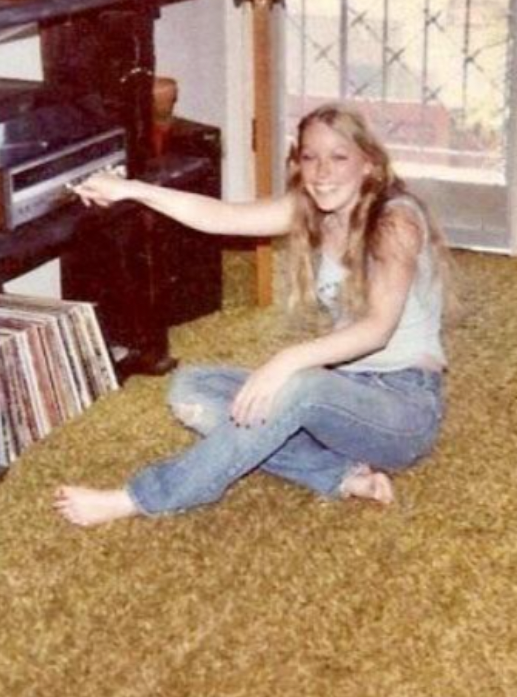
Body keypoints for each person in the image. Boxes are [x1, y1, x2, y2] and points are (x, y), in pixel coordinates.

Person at [54, 103, 450, 527]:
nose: (322, 172)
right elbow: (221, 216)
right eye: (310, 157)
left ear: (368, 165)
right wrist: (133, 190)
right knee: (192, 389)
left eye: (339, 157)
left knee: (297, 386)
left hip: (404, 407)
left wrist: (286, 360)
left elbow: (377, 329)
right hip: (343, 389)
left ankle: (140, 497)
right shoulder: (312, 209)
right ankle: (339, 474)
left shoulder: (396, 222)